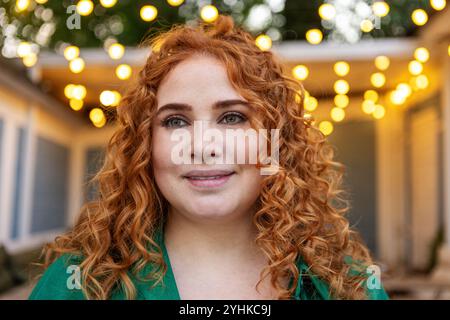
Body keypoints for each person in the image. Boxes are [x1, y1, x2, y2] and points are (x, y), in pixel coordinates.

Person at [29, 15, 388, 300]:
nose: (202, 146)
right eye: (175, 121)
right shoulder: (78, 285)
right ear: (144, 147)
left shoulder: (350, 288)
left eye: (232, 117)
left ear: (276, 142)